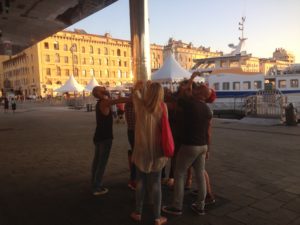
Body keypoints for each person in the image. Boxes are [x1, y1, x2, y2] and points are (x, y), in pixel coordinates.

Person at [162, 72, 212, 216]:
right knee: (200, 175)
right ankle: (200, 206)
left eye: (198, 88)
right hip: (202, 145)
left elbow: (183, 91)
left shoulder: (190, 104)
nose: (194, 89)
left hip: (189, 145)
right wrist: (208, 148)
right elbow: (208, 133)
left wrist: (192, 78)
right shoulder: (207, 109)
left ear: (199, 93)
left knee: (179, 173)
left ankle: (177, 206)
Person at [130, 81, 168, 225]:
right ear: (160, 94)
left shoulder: (140, 105)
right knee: (156, 184)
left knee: (140, 182)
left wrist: (139, 86)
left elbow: (135, 93)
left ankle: (138, 212)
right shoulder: (163, 107)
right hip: (157, 151)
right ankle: (157, 217)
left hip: (141, 150)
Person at [91, 86, 129, 196]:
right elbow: (119, 100)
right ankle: (96, 187)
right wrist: (132, 98)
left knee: (97, 162)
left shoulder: (100, 103)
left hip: (98, 136)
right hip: (105, 137)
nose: (105, 88)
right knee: (101, 163)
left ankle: (94, 184)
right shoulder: (104, 102)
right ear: (100, 92)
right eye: (102, 88)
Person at [124, 97, 136, 190]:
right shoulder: (138, 105)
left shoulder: (127, 104)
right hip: (137, 132)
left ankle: (133, 179)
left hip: (130, 131)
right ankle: (134, 179)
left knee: (133, 153)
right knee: (137, 156)